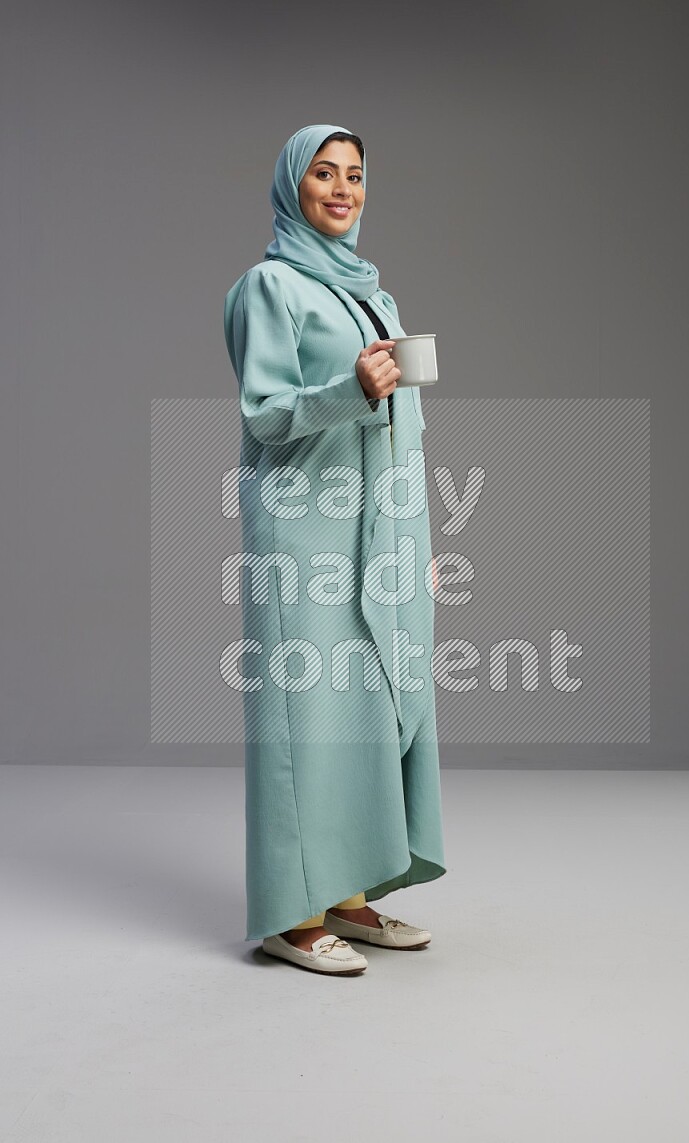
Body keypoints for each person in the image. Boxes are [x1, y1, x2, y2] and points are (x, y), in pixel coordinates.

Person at [223, 124, 446, 976]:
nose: (343, 189)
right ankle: (291, 911)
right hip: (303, 536)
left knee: (367, 711)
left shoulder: (375, 296)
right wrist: (349, 387)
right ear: (293, 184)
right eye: (325, 173)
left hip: (378, 534)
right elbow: (267, 414)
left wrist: (417, 534)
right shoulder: (267, 287)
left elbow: (407, 431)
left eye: (355, 175)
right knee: (307, 724)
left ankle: (349, 897)